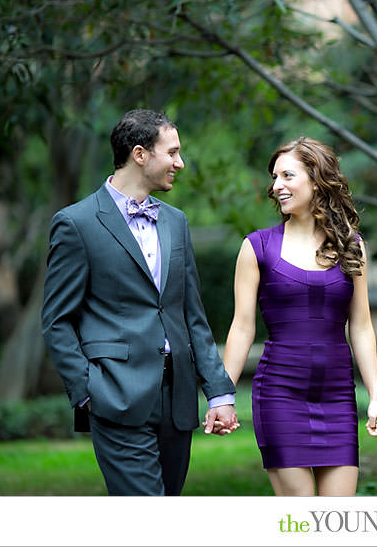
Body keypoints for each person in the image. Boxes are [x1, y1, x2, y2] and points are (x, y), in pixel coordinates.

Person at [41, 109, 239, 496]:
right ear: (140, 154)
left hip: (177, 400)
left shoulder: (176, 222)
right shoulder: (76, 223)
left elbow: (191, 315)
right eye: (173, 152)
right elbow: (57, 320)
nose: (180, 163)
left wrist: (219, 392)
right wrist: (87, 390)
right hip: (114, 395)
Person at [223, 136, 377, 496]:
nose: (276, 186)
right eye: (274, 177)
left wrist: (374, 395)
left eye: (287, 176)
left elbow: (361, 327)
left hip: (338, 395)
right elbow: (242, 327)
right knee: (301, 515)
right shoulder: (257, 247)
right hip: (280, 393)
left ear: (316, 180)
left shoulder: (351, 246)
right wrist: (223, 396)